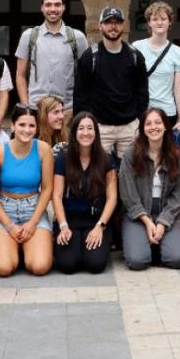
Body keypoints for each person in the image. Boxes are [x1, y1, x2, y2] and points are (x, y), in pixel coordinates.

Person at [0, 103, 54, 276]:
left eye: (31, 125)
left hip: (33, 209)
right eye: (22, 124)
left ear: (37, 128)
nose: (27, 130)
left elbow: (47, 189)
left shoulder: (44, 150)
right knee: (3, 268)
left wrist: (32, 223)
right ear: (13, 125)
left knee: (40, 267)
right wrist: (9, 226)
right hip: (4, 211)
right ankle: (11, 247)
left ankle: (28, 247)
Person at [119, 108, 180, 270]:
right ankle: (143, 244)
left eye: (158, 122)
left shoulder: (177, 157)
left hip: (167, 213)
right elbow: (128, 194)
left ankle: (157, 244)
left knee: (177, 259)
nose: (153, 127)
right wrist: (147, 221)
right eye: (148, 123)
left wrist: (163, 223)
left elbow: (178, 196)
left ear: (165, 126)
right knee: (137, 261)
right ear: (143, 128)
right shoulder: (131, 154)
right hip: (138, 214)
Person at [73, 7, 148, 156]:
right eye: (108, 22)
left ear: (124, 26)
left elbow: (142, 92)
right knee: (98, 172)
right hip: (100, 127)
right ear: (100, 26)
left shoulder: (135, 56)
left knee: (130, 171)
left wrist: (138, 120)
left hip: (129, 127)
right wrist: (87, 124)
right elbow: (80, 94)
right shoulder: (90, 57)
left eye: (117, 22)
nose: (113, 26)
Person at [53, 112, 118, 274]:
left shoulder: (107, 160)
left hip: (96, 221)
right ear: (74, 133)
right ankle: (77, 245)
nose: (86, 132)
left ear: (96, 132)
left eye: (90, 128)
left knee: (95, 264)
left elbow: (112, 198)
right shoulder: (63, 159)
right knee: (68, 265)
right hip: (70, 221)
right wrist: (63, 226)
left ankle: (94, 244)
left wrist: (100, 227)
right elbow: (57, 195)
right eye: (81, 128)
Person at [14, 0, 89, 110]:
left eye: (57, 5)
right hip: (36, 108)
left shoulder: (77, 37)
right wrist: (26, 106)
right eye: (48, 5)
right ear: (42, 8)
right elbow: (20, 75)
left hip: (66, 110)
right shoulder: (29, 36)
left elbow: (86, 76)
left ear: (64, 7)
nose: (53, 9)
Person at [133, 1, 180, 130]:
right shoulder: (137, 47)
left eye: (163, 19)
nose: (159, 22)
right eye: (155, 19)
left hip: (167, 112)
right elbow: (131, 82)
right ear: (149, 23)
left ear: (169, 22)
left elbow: (178, 87)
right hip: (143, 110)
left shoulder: (177, 52)